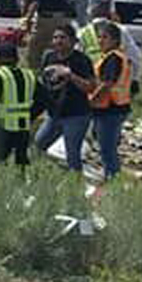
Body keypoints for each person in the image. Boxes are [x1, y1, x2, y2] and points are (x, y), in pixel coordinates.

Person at [33, 23, 95, 175]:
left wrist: (70, 75)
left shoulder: (81, 60)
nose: (58, 41)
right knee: (38, 144)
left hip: (76, 115)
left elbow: (90, 87)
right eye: (55, 37)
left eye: (62, 37)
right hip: (54, 114)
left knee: (72, 155)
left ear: (72, 41)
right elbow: (44, 81)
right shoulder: (49, 57)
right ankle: (45, 175)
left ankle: (75, 183)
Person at [82, 20, 133, 181]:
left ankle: (113, 178)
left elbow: (107, 84)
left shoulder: (113, 58)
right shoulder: (115, 57)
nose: (100, 41)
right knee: (105, 144)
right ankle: (112, 175)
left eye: (105, 37)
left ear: (115, 40)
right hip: (116, 107)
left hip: (110, 109)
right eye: (99, 37)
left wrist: (91, 101)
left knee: (107, 149)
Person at [0, 41, 39, 167]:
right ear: (17, 59)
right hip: (23, 128)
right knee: (20, 165)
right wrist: (30, 114)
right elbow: (44, 100)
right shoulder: (29, 75)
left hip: (1, 128)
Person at [24, 0, 77, 71]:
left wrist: (27, 21)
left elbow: (35, 4)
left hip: (46, 20)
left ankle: (35, 71)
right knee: (59, 46)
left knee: (34, 48)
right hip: (63, 20)